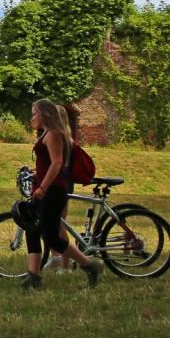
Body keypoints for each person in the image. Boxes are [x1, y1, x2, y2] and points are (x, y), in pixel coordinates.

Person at [21, 98, 103, 290]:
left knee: (51, 236)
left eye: (35, 113)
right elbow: (47, 163)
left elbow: (57, 163)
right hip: (43, 188)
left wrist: (43, 188)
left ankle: (90, 265)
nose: (32, 117)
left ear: (44, 114)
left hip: (53, 191)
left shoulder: (54, 134)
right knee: (31, 227)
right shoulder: (46, 134)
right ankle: (34, 275)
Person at [42, 104, 74, 273]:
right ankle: (56, 257)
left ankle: (66, 264)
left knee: (59, 224)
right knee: (55, 224)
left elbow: (60, 164)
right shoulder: (64, 137)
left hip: (62, 184)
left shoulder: (61, 137)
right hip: (62, 181)